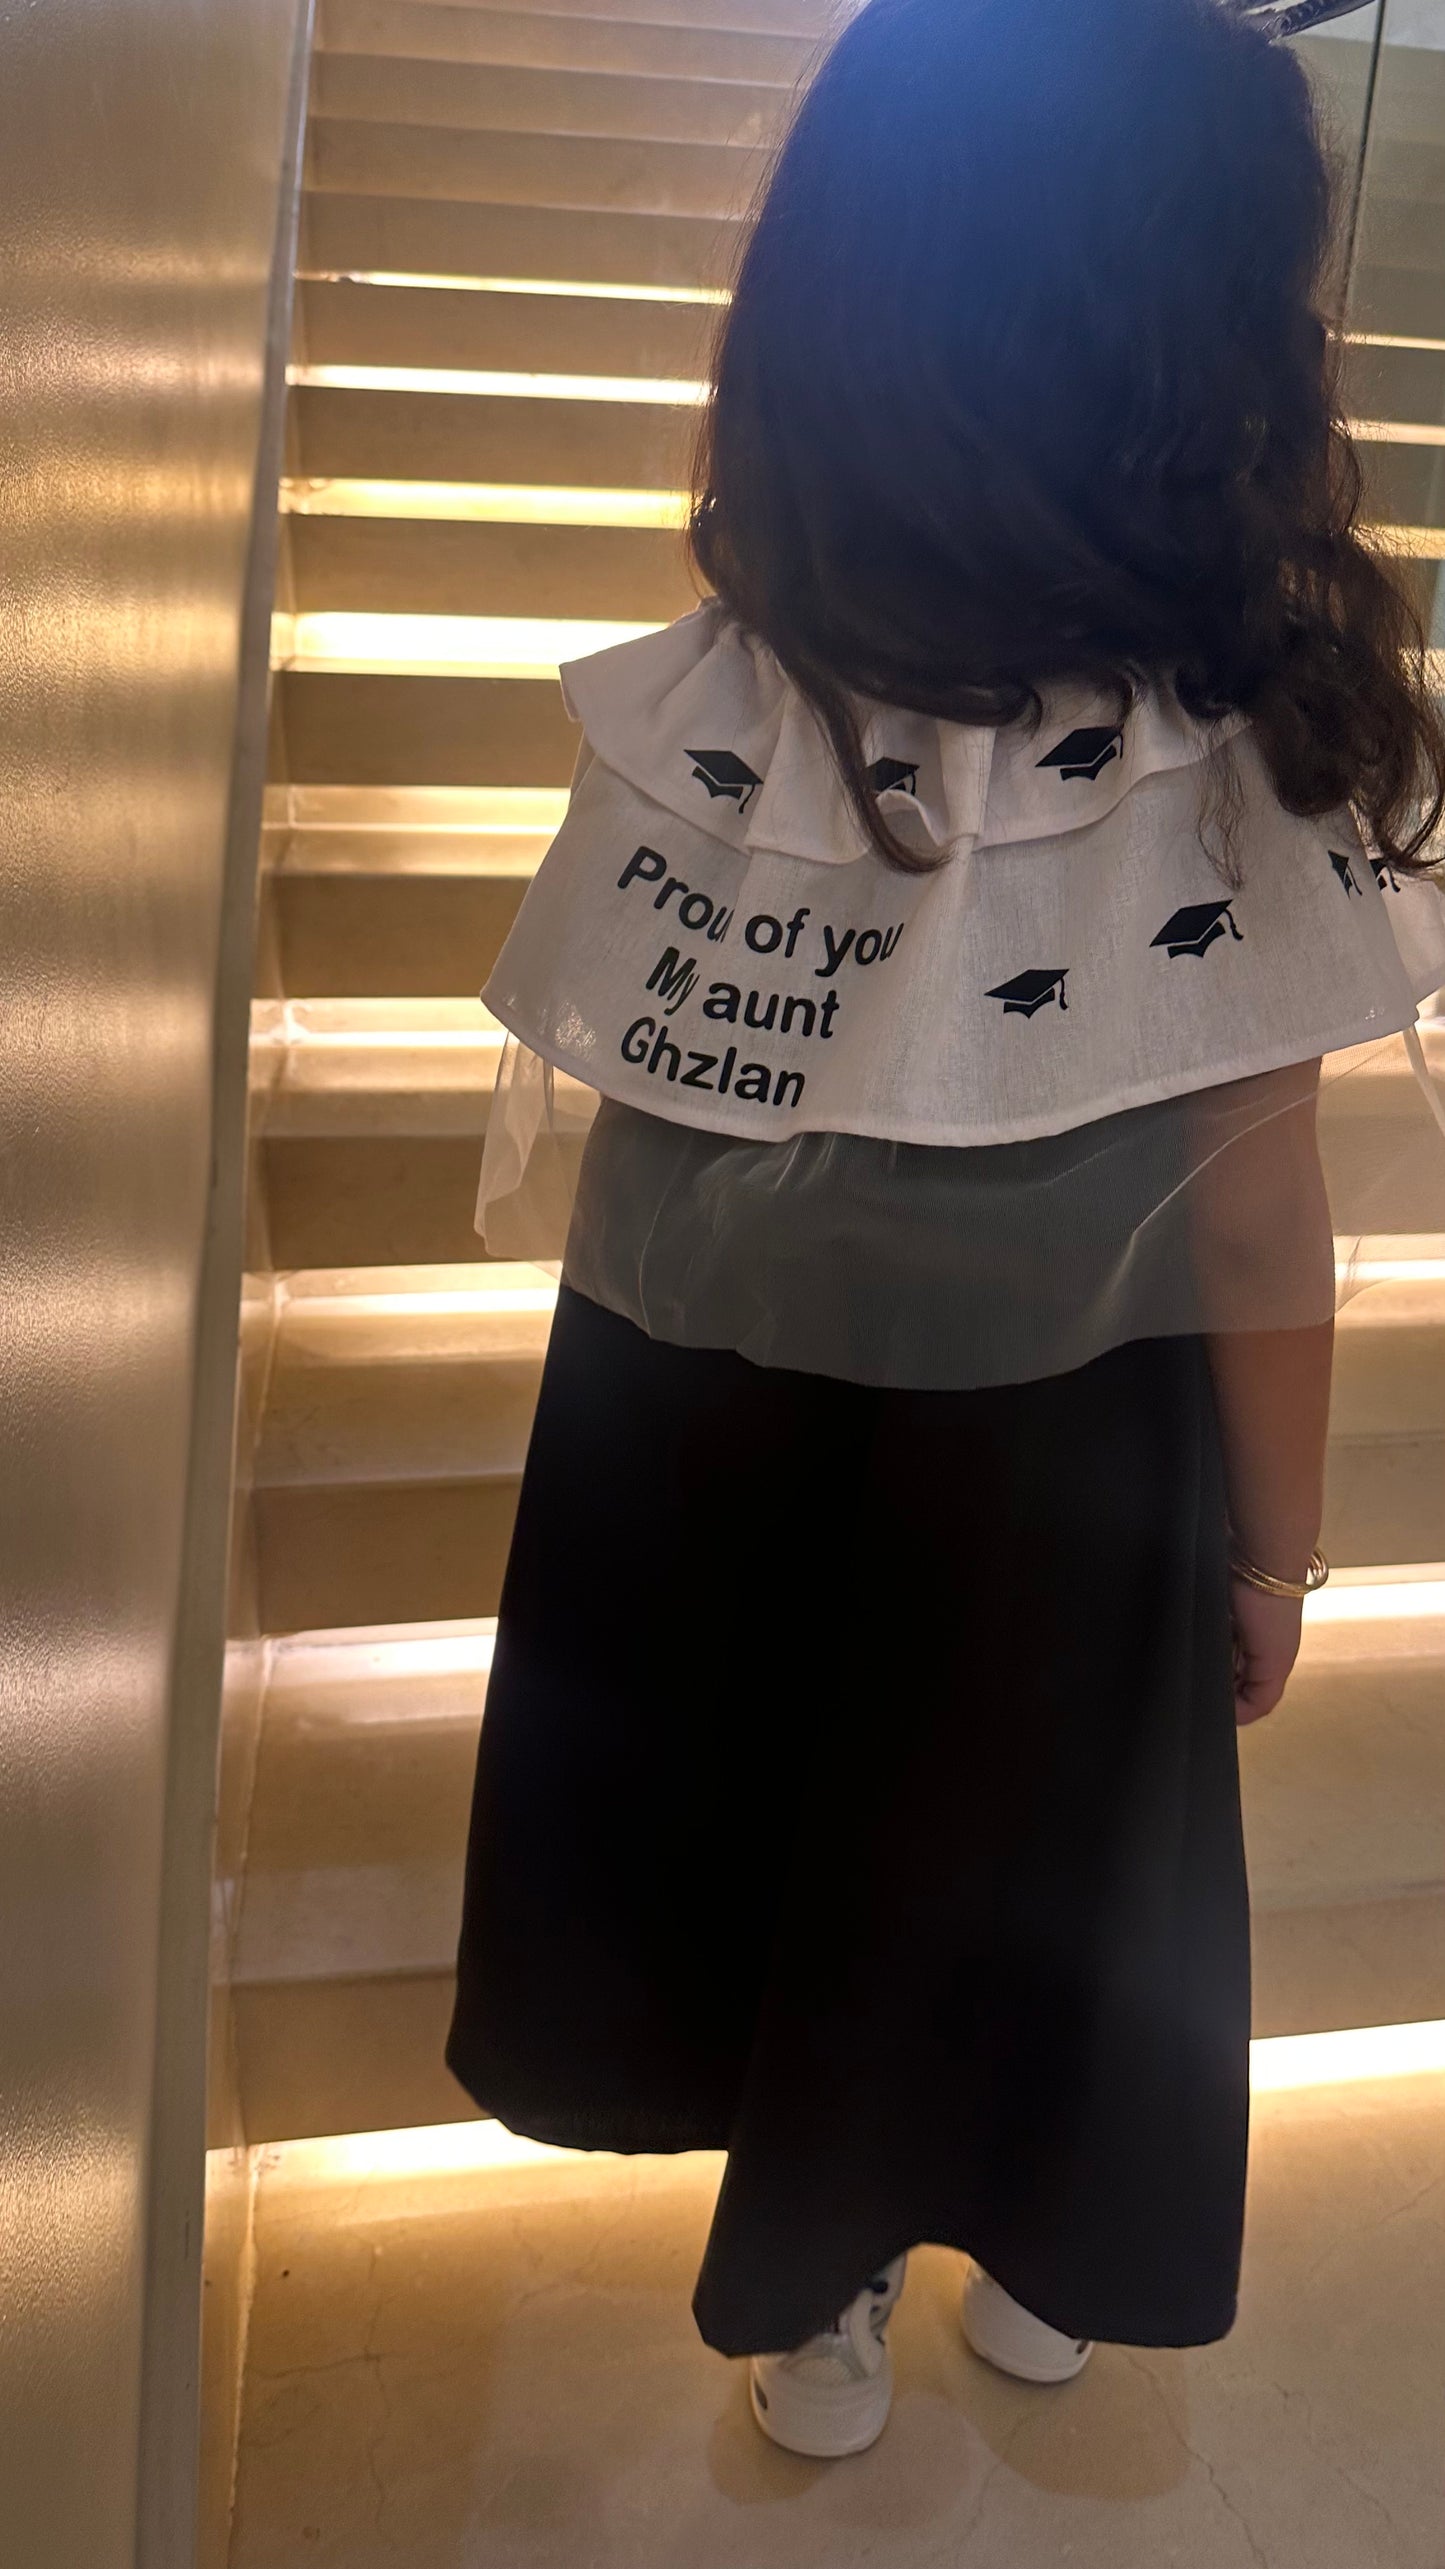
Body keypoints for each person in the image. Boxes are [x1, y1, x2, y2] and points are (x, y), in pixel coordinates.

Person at [447, 0, 1445, 2460]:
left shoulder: (727, 687)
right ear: (1219, 333)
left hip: (700, 1398)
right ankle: (1032, 2234)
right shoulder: (1236, 729)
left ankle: (823, 2274)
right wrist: (1278, 1548)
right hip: (1076, 1441)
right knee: (1033, 1852)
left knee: (785, 1817)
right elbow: (1256, 1208)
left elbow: (658, 1088)